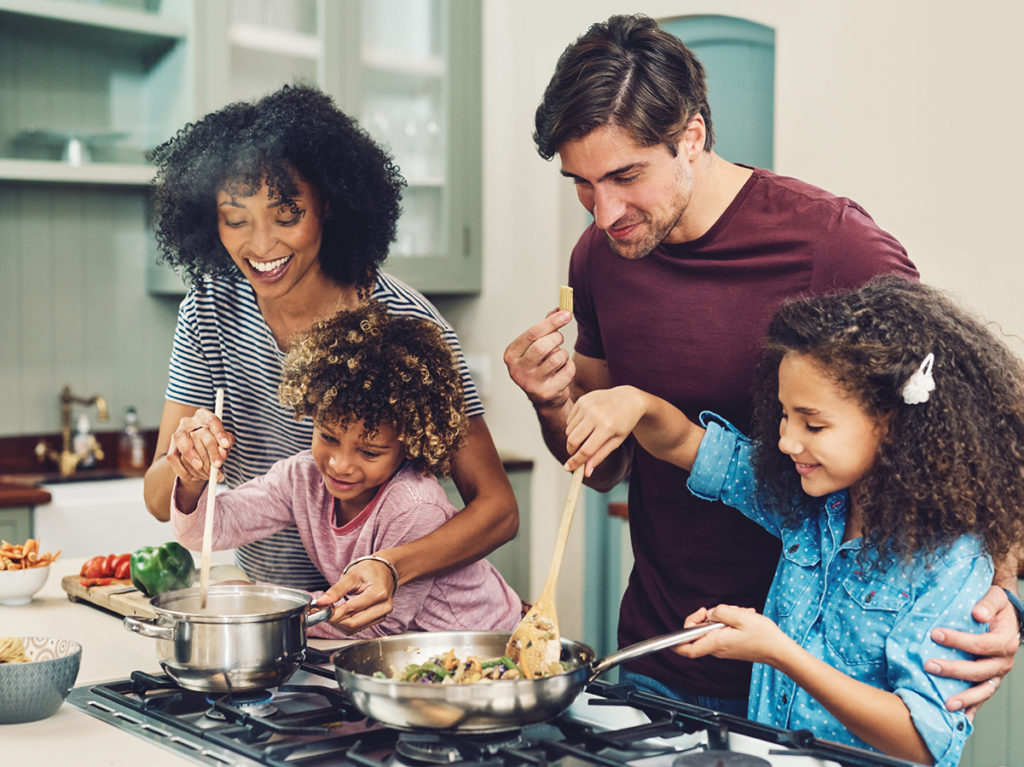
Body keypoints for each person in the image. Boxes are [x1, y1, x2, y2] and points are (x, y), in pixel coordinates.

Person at [503, 13, 1020, 715]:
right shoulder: (599, 258)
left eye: (626, 176)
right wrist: (551, 402)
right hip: (663, 654)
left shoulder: (834, 245)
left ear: (691, 136)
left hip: (834, 685)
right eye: (582, 184)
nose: (605, 211)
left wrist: (1006, 591)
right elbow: (606, 470)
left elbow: (976, 424)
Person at [562, 275, 1024, 766]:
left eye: (813, 423)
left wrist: (779, 652)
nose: (786, 441)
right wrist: (636, 402)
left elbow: (922, 740)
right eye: (783, 416)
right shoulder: (805, 503)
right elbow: (684, 444)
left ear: (892, 423)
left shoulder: (950, 563)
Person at [143, 84, 518, 633]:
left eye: (287, 213)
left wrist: (390, 566)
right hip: (281, 617)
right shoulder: (209, 309)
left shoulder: (406, 326)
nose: (260, 244)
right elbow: (160, 499)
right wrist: (188, 465)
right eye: (236, 218)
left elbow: (498, 510)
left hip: (377, 625)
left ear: (330, 207)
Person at [171, 303, 522, 638]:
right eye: (328, 436)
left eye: (369, 452)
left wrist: (260, 601)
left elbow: (376, 623)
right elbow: (206, 531)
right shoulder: (302, 479)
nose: (340, 464)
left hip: (483, 638)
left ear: (409, 444)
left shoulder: (414, 506)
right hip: (410, 646)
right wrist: (193, 479)